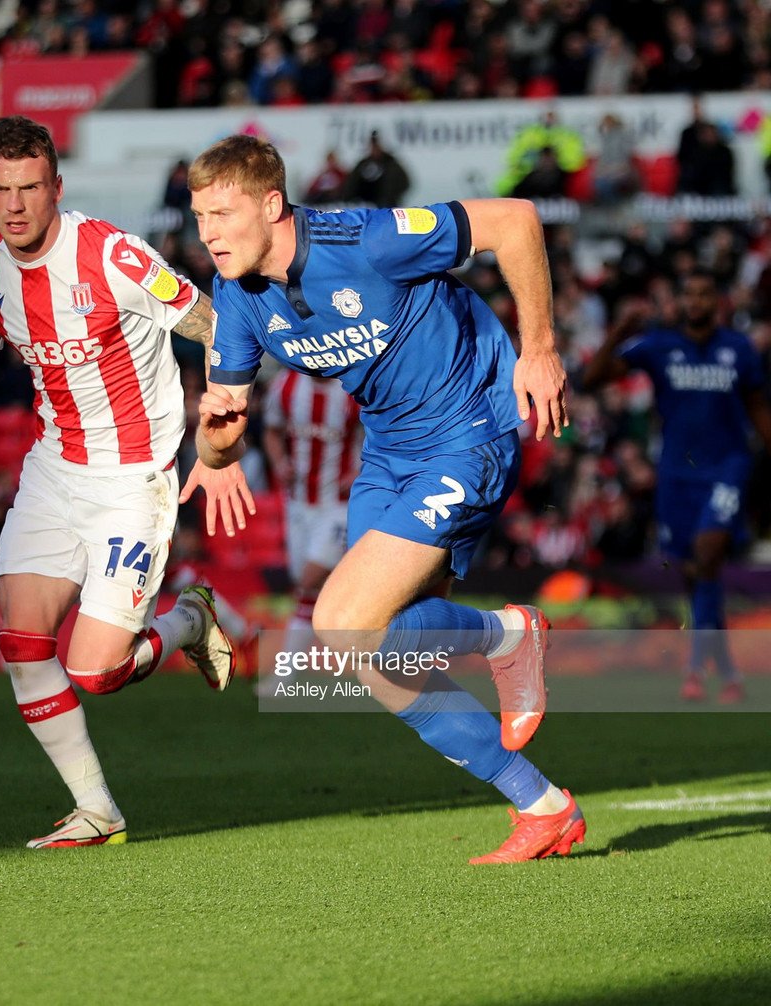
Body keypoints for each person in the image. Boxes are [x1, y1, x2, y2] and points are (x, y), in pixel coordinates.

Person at [186, 134, 582, 864]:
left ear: (271, 205)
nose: (207, 232)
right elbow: (225, 426)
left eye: (221, 213)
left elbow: (516, 221)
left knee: (341, 622)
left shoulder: (365, 239)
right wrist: (212, 449)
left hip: (470, 429)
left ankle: (509, 638)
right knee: (380, 656)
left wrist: (539, 348)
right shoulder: (236, 298)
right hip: (390, 453)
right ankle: (543, 804)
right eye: (199, 215)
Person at [0, 116, 244, 849]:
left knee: (96, 673)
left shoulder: (112, 256)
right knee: (21, 641)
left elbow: (213, 320)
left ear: (56, 188)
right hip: (54, 468)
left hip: (134, 477)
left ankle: (190, 619)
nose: (15, 205)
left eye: (30, 188)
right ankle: (98, 811)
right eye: (1, 189)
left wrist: (226, 406)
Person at [584, 274, 771, 704]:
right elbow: (592, 380)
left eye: (705, 292)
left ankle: (694, 668)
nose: (696, 299)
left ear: (717, 301)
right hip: (675, 475)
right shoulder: (658, 347)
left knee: (708, 554)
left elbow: (759, 409)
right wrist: (618, 333)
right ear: (682, 300)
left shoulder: (738, 350)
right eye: (689, 292)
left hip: (727, 467)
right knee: (694, 573)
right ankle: (724, 670)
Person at [262, 369, 362, 661]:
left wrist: (360, 470)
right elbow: (271, 430)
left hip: (339, 505)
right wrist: (280, 462)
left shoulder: (353, 386)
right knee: (309, 585)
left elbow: (379, 435)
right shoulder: (286, 384)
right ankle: (354, 651)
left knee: (306, 583)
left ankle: (285, 674)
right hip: (299, 504)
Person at [341, 131, 410, 208]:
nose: (374, 149)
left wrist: (390, 197)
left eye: (377, 146)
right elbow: (352, 183)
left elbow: (405, 183)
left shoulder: (392, 165)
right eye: (372, 146)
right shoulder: (363, 164)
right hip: (365, 207)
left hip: (386, 207)